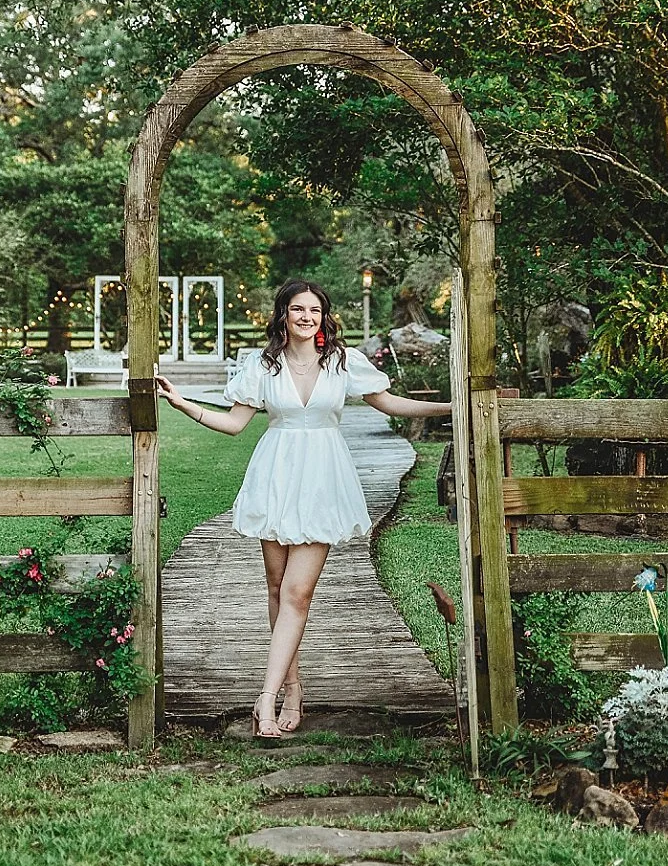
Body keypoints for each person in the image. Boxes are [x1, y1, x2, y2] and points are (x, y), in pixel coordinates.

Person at [155, 279, 453, 739]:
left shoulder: (343, 361)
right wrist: (183, 404)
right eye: (298, 309)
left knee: (298, 594)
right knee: (276, 589)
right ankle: (293, 687)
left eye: (314, 310)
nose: (306, 317)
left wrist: (449, 408)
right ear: (283, 315)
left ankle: (265, 699)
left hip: (322, 480)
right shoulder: (262, 364)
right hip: (275, 475)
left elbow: (387, 402)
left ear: (324, 317)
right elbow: (235, 424)